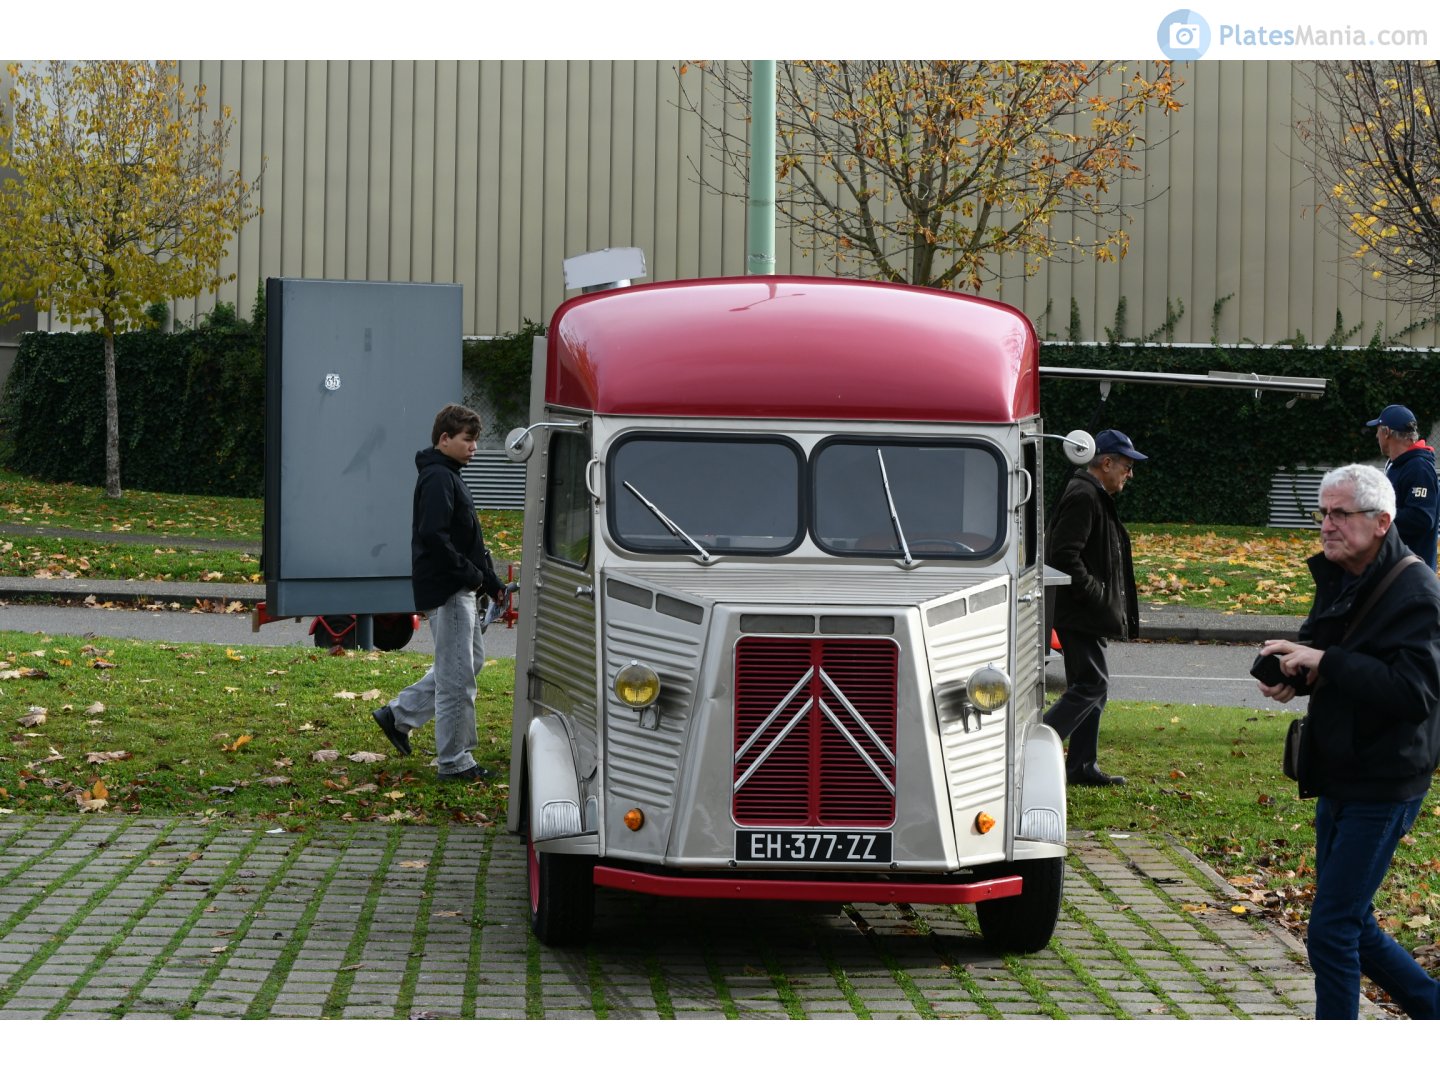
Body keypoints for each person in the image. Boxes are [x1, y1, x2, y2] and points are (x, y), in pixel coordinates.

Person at [1257, 463, 1440, 1020]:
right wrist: (1295, 670)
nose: (1327, 525)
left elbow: (1413, 693)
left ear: (1382, 522)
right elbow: (1331, 648)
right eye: (1323, 513)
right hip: (1339, 769)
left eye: (1341, 514)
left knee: (1332, 929)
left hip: (1385, 781)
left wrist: (1327, 661)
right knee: (1352, 922)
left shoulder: (1418, 592)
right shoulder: (1342, 573)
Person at [372, 403, 507, 782]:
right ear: (444, 439)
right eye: (468, 440)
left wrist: (491, 582)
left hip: (458, 586)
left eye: (476, 440)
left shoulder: (448, 475)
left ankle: (398, 715)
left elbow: (467, 541)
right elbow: (434, 536)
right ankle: (455, 761)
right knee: (456, 678)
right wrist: (472, 576)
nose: (474, 447)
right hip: (449, 589)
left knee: (466, 665)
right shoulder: (437, 478)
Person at [1043, 428, 1145, 786]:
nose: (1129, 474)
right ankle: (1034, 749)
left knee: (1091, 687)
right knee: (1091, 684)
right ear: (1106, 463)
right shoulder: (1085, 495)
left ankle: (1081, 766)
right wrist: (1096, 595)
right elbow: (1063, 554)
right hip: (1080, 612)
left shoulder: (1090, 493)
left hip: (1085, 611)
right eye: (1127, 467)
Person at [1365, 403, 1438, 569]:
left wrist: (1377, 517)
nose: (1376, 435)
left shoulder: (1419, 468)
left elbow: (1421, 518)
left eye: (1378, 430)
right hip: (1395, 565)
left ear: (1386, 432)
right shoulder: (1397, 465)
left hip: (1412, 571)